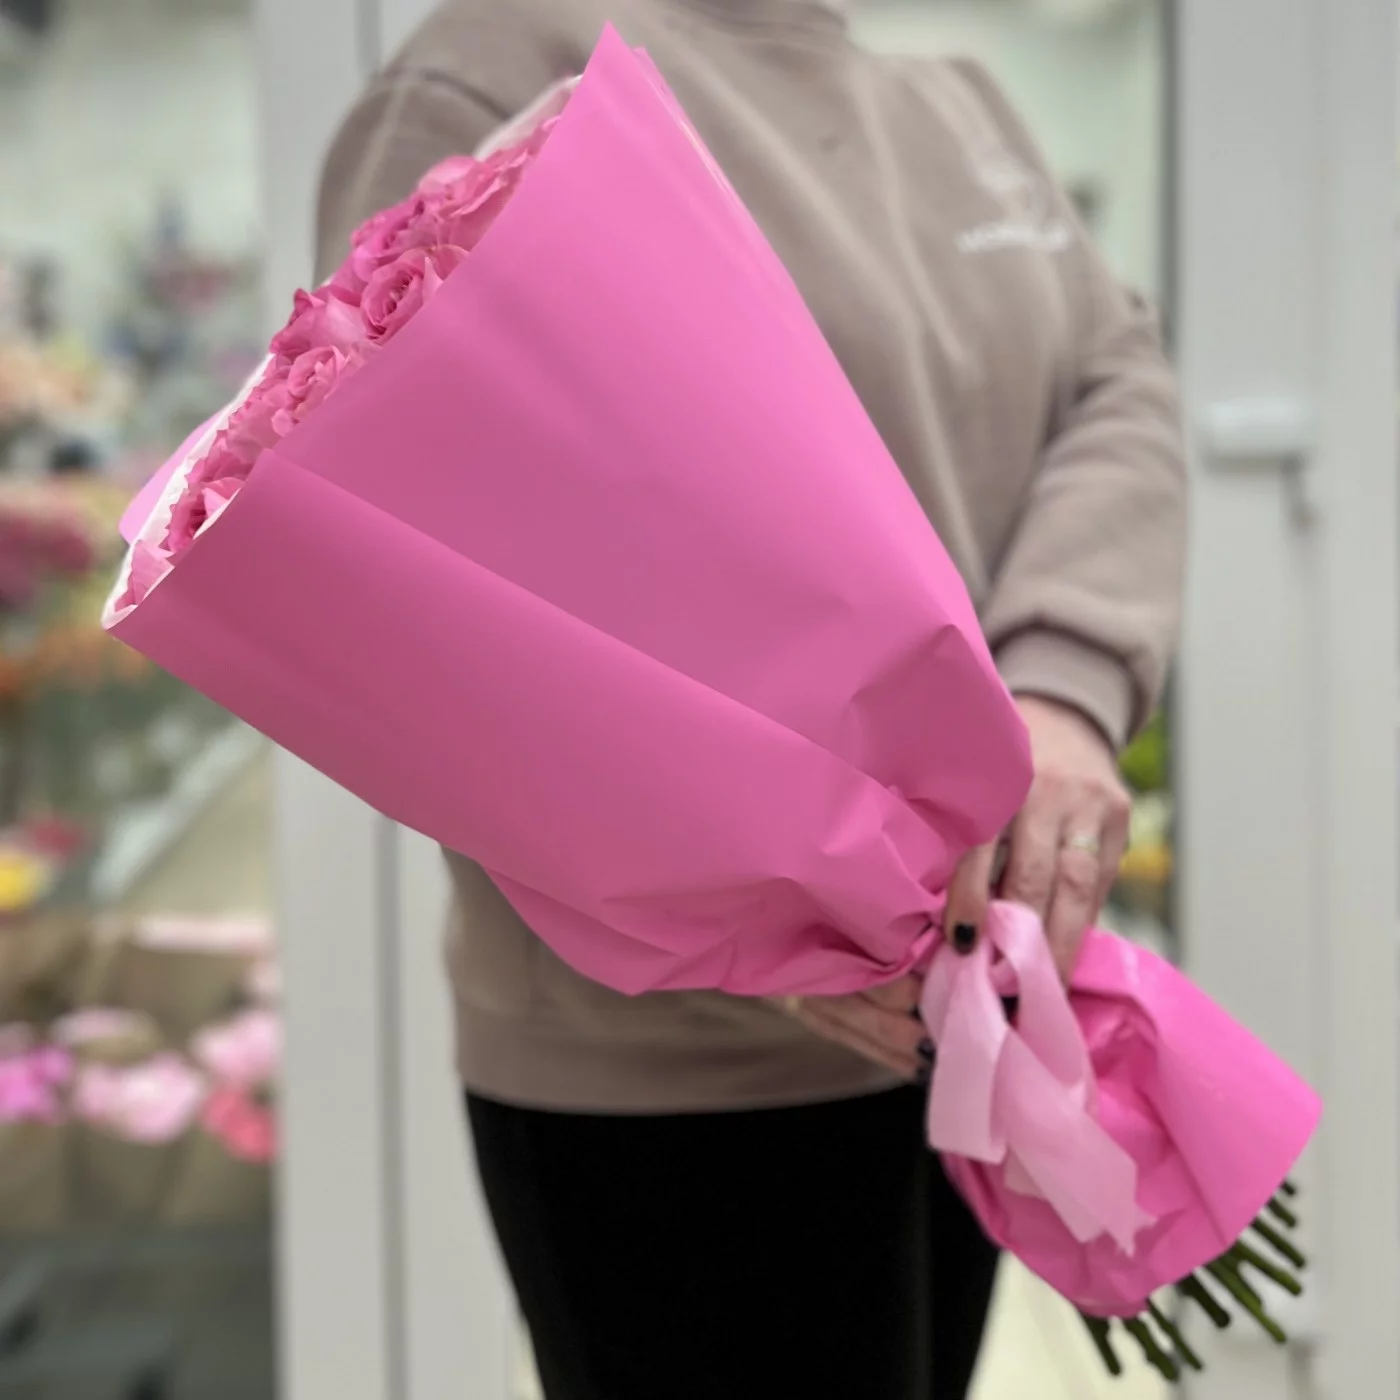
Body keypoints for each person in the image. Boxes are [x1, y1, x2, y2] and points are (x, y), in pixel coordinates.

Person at [316, 2, 1186, 1397]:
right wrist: (769, 895)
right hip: (677, 1077)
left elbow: (1116, 383)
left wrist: (1063, 691)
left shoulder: (959, 107)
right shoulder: (501, 70)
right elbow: (427, 577)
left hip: (961, 1024)